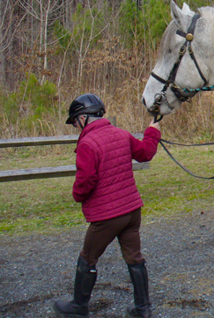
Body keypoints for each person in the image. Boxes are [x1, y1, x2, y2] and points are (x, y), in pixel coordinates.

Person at [54, 93, 161, 318]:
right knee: (135, 257)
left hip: (108, 215)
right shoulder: (121, 134)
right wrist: (153, 130)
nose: (76, 127)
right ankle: (143, 308)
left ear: (83, 118)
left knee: (87, 257)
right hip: (132, 210)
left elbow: (86, 182)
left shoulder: (87, 143)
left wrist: (76, 195)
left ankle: (78, 307)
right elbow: (145, 153)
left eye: (75, 122)